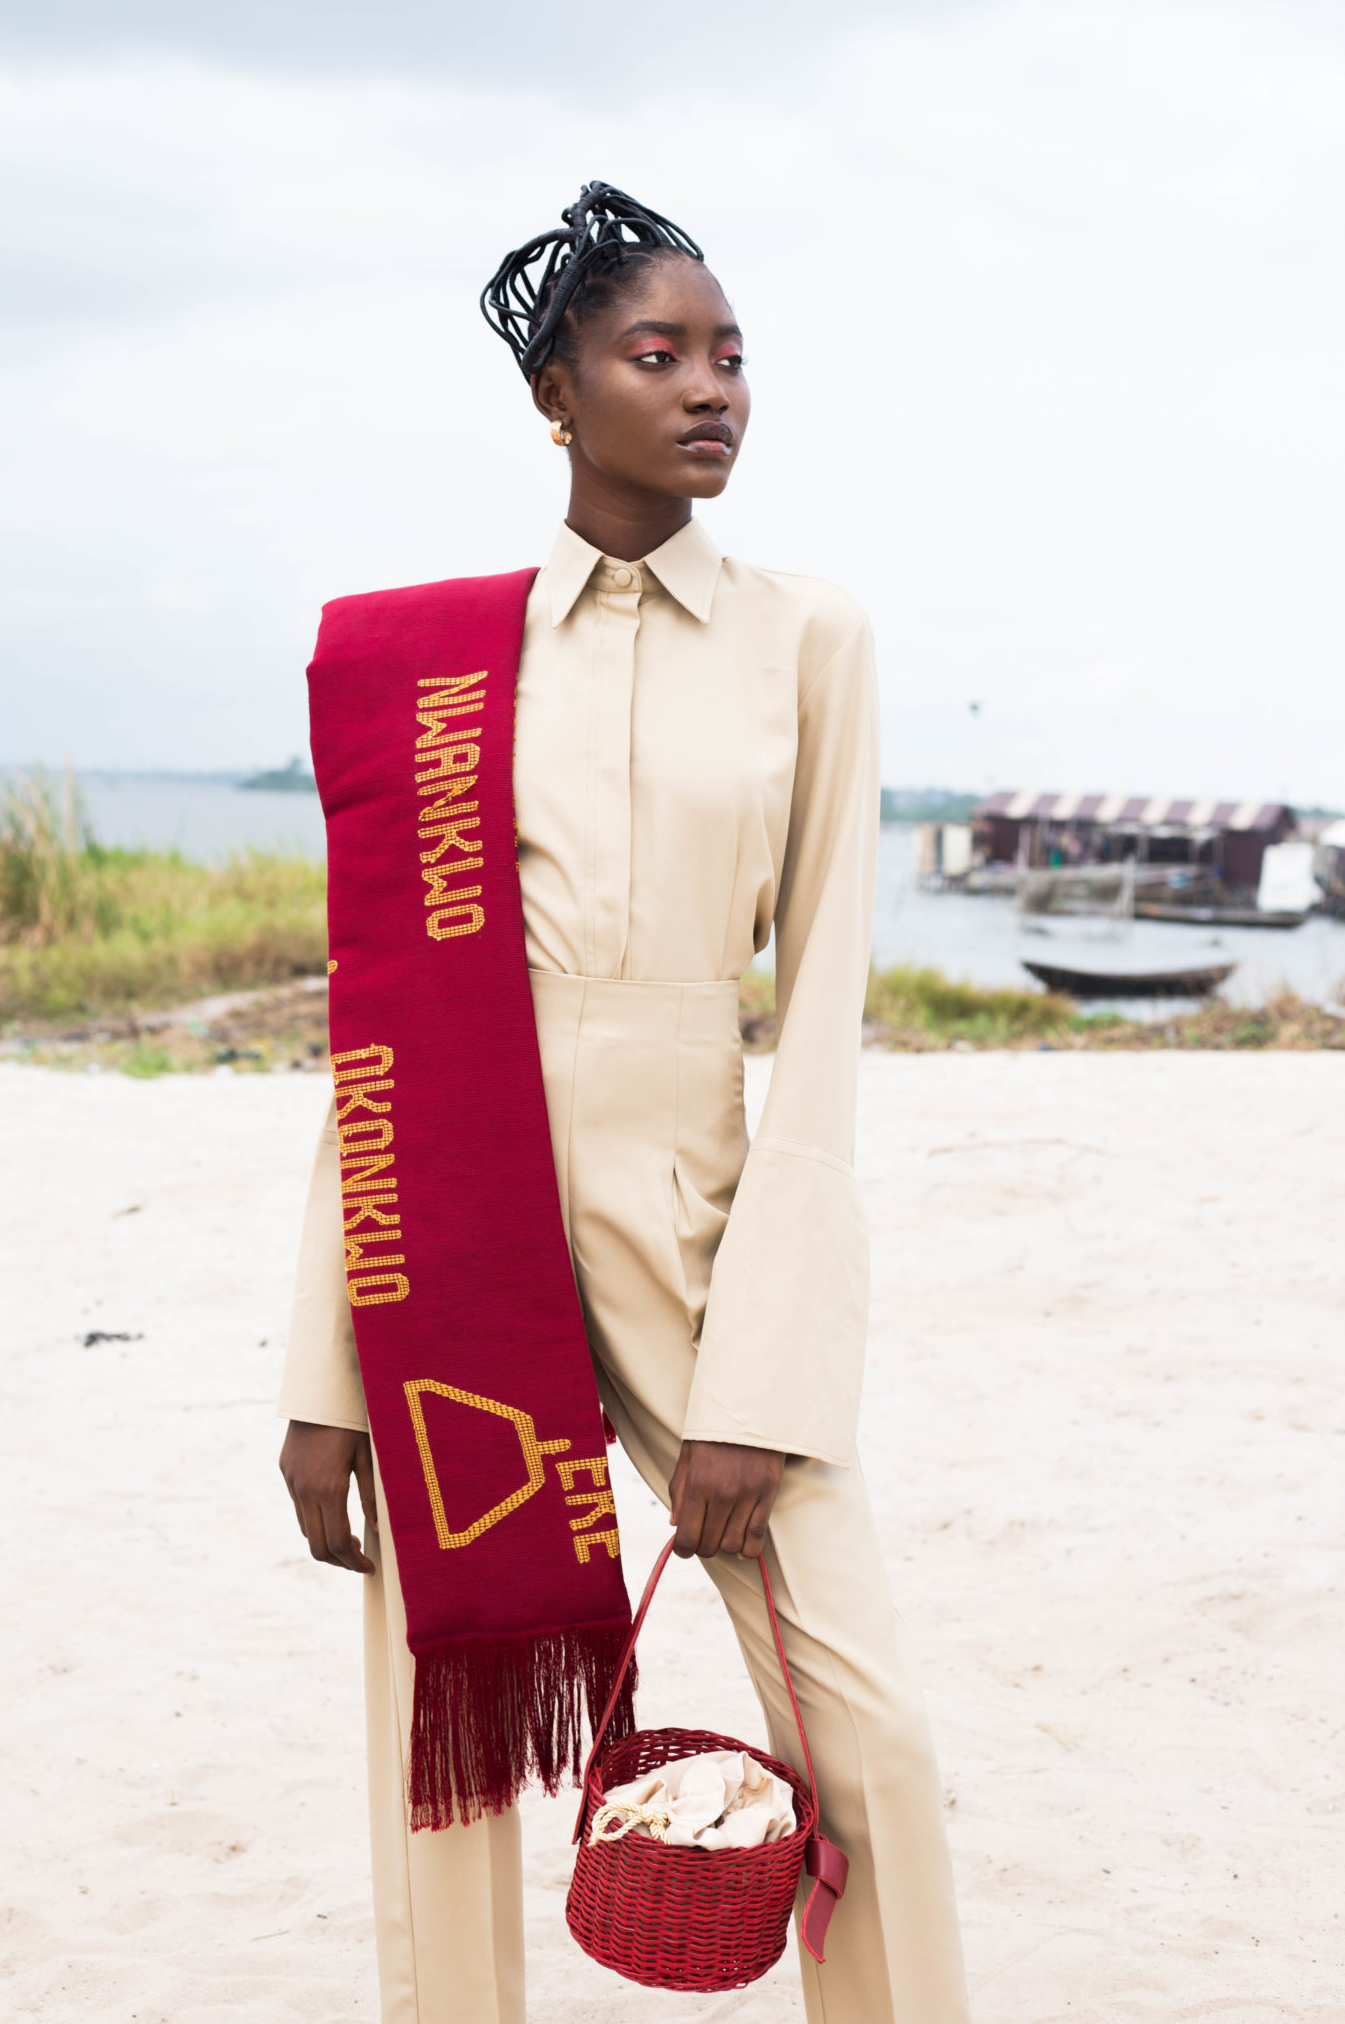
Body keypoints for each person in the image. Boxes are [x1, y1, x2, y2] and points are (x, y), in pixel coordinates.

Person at [278, 183, 970, 2024]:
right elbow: (387, 1029)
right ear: (555, 395)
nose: (710, 388)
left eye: (731, 355)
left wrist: (769, 1378)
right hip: (454, 1205)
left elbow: (822, 1013)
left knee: (865, 1718)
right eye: (657, 355)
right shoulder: (441, 657)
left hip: (698, 1209)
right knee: (438, 1714)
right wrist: (324, 1363)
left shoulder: (810, 637)